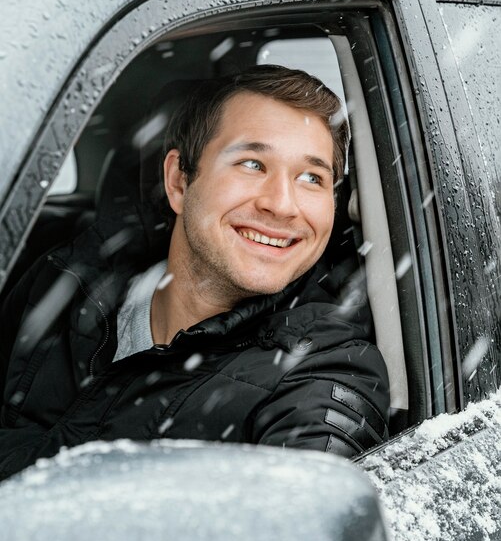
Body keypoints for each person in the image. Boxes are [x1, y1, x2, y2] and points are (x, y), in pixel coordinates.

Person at [0, 65, 389, 481]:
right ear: (179, 182)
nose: (282, 204)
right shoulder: (66, 281)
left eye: (312, 177)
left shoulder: (325, 377)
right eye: (253, 164)